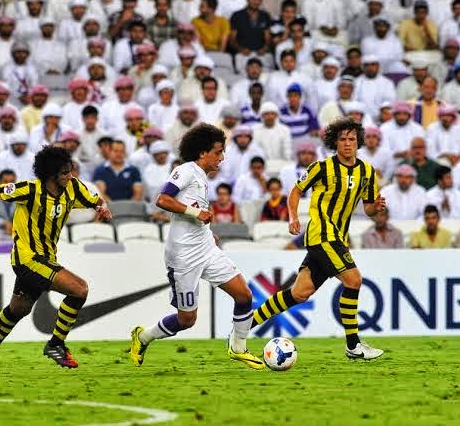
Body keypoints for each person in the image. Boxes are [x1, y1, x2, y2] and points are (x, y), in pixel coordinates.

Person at [130, 123, 264, 370]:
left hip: (206, 248)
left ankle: (238, 348)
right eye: (218, 152)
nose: (222, 157)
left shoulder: (202, 177)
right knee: (187, 319)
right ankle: (144, 337)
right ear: (203, 153)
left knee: (244, 295)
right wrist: (196, 213)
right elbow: (163, 199)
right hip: (183, 256)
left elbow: (196, 211)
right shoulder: (186, 171)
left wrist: (208, 232)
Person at [250, 118, 387, 360]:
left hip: (337, 237)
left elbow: (368, 208)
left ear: (358, 142)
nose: (347, 143)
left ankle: (243, 326)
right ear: (335, 142)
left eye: (352, 139)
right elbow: (295, 191)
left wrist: (376, 207)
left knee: (299, 293)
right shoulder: (321, 167)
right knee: (354, 280)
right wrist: (293, 217)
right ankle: (353, 345)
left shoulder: (367, 171)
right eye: (342, 139)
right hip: (321, 234)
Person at [0, 146, 111, 373]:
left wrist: (102, 208)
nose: (70, 176)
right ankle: (56, 344)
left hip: (46, 258)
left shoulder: (74, 187)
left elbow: (95, 200)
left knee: (19, 308)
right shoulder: (29, 190)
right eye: (65, 172)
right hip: (27, 258)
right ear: (50, 175)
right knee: (79, 289)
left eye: (71, 170)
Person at [92, 138, 143, 202]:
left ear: (125, 153)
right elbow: (100, 193)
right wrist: (114, 206)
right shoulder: (100, 170)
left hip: (130, 206)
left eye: (122, 151)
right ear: (109, 152)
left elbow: (138, 193)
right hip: (108, 206)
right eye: (116, 151)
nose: (119, 154)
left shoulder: (134, 170)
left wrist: (128, 206)